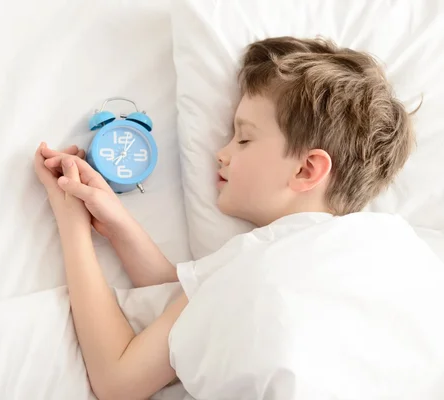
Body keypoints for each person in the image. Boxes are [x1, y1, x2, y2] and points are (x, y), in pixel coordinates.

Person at [33, 37, 444, 399]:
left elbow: (119, 379)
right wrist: (118, 223)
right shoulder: (400, 250)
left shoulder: (256, 262)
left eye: (244, 138)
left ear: (306, 170)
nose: (221, 152)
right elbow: (188, 302)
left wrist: (70, 222)